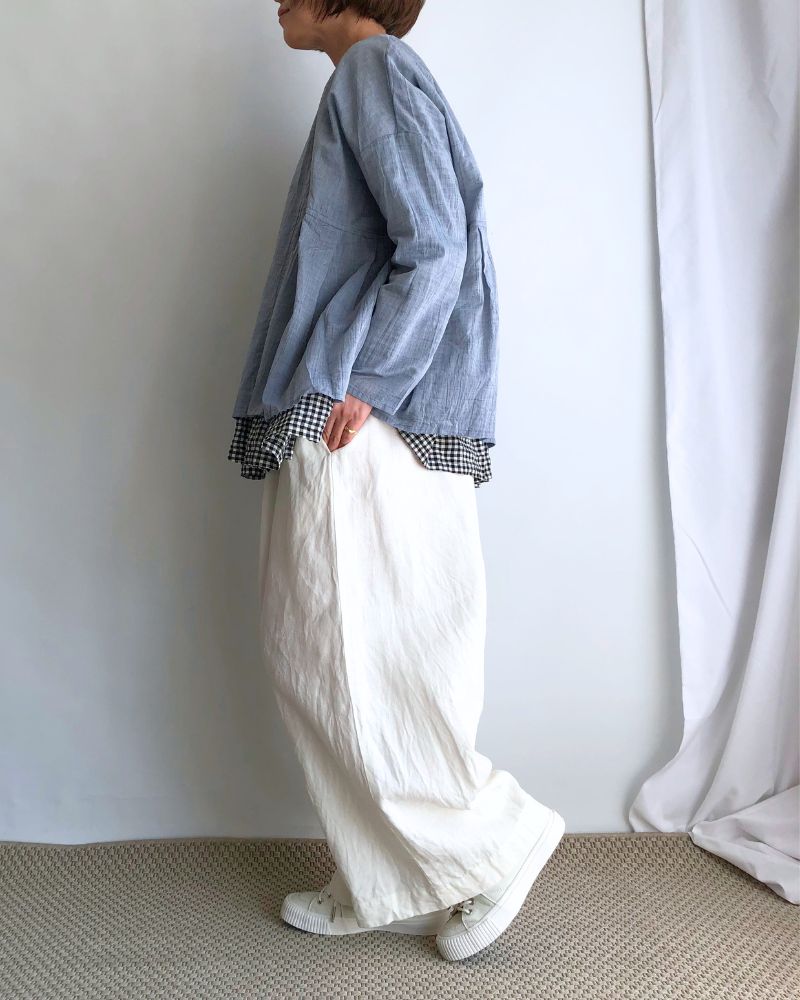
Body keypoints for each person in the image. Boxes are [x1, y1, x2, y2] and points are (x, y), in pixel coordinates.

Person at [229, 0, 565, 962]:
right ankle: (385, 876)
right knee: (352, 651)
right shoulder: (371, 81)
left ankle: (492, 844)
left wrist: (369, 379)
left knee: (345, 650)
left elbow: (437, 244)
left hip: (361, 422)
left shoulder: (373, 73)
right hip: (374, 418)